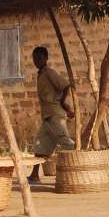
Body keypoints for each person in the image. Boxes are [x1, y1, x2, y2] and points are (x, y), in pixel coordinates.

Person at [27, 46, 74, 182]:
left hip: (54, 115)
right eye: (35, 59)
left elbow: (65, 86)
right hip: (47, 117)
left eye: (40, 58)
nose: (37, 61)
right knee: (40, 144)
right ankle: (35, 175)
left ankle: (71, 172)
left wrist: (63, 103)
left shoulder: (49, 72)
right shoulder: (41, 74)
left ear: (46, 59)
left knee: (67, 143)